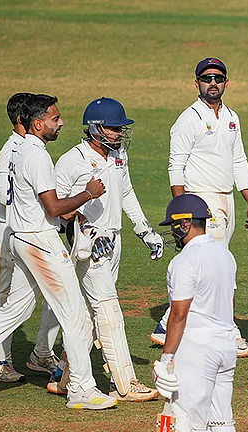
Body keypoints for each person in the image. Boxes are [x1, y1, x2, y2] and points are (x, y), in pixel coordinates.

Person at [0, 94, 117, 410]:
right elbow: (54, 208)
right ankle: (82, 390)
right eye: (55, 119)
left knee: (15, 311)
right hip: (40, 241)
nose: (61, 123)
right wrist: (87, 194)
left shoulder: (18, 150)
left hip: (21, 239)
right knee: (76, 317)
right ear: (38, 124)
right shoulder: (37, 157)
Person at [42, 97, 161, 402]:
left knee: (89, 315)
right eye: (114, 128)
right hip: (88, 246)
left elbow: (126, 191)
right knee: (108, 310)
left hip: (114, 239)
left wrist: (144, 229)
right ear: (95, 128)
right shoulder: (72, 160)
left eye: (121, 128)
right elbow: (57, 209)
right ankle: (125, 384)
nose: (119, 134)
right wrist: (87, 232)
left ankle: (66, 378)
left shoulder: (119, 155)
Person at [151, 58, 248, 359]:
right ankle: (229, 332)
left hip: (226, 199)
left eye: (218, 78)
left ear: (227, 83)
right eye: (207, 78)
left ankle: (166, 324)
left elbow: (239, 160)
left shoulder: (232, 117)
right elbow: (176, 165)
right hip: (201, 199)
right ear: (196, 83)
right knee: (219, 265)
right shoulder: (188, 119)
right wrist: (181, 207)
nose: (213, 83)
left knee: (210, 264)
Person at [152, 193, 244, 432]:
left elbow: (178, 314)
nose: (172, 231)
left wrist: (166, 358)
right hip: (226, 344)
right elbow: (230, 303)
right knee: (222, 421)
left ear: (186, 223)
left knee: (193, 425)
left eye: (174, 226)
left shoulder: (183, 262)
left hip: (197, 348)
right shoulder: (225, 254)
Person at [0, 92, 61, 383]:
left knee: (43, 293)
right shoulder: (11, 151)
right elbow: (5, 196)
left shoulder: (30, 148)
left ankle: (41, 353)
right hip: (10, 229)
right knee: (3, 295)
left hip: (27, 230)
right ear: (21, 118)